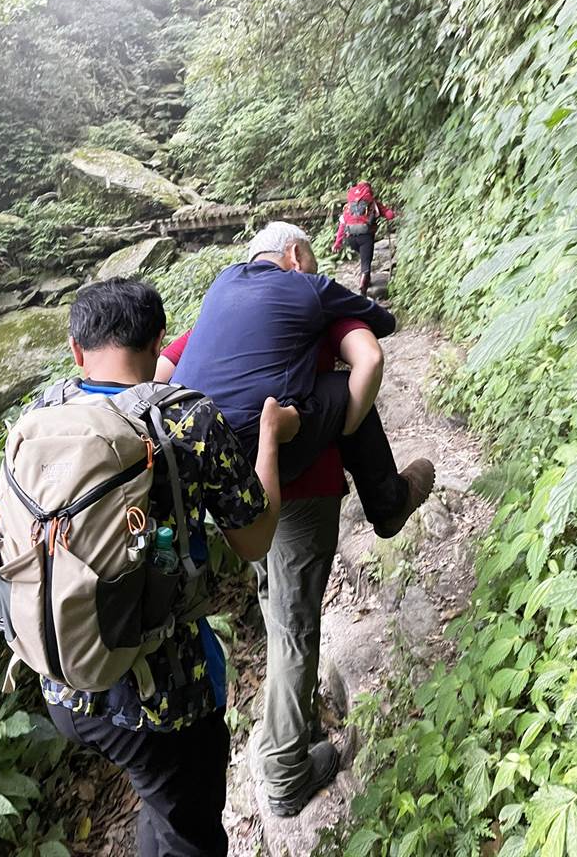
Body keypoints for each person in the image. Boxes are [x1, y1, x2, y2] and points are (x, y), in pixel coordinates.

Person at [38, 279, 298, 857]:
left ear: (76, 351)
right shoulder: (185, 419)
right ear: (160, 342)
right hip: (159, 697)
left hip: (61, 678)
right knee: (191, 834)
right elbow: (254, 539)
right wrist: (272, 441)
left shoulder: (42, 413)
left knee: (159, 803)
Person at [158, 317, 386, 817]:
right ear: (293, 258)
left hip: (240, 499)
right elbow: (367, 360)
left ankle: (297, 726)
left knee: (276, 605)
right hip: (302, 497)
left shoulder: (223, 327)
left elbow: (162, 372)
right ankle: (286, 771)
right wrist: (344, 421)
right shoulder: (306, 310)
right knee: (296, 631)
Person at [169, 221, 434, 541]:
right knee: (344, 387)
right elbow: (384, 322)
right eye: (313, 260)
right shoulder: (307, 286)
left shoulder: (223, 282)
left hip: (186, 452)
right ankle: (389, 505)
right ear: (295, 254)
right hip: (251, 451)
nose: (314, 268)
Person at [332, 181, 395, 295]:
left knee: (363, 255)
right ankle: (363, 284)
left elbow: (342, 225)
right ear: (369, 190)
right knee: (366, 261)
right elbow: (390, 215)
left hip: (350, 238)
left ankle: (367, 280)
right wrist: (390, 213)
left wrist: (337, 243)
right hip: (365, 236)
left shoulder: (348, 206)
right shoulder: (373, 203)